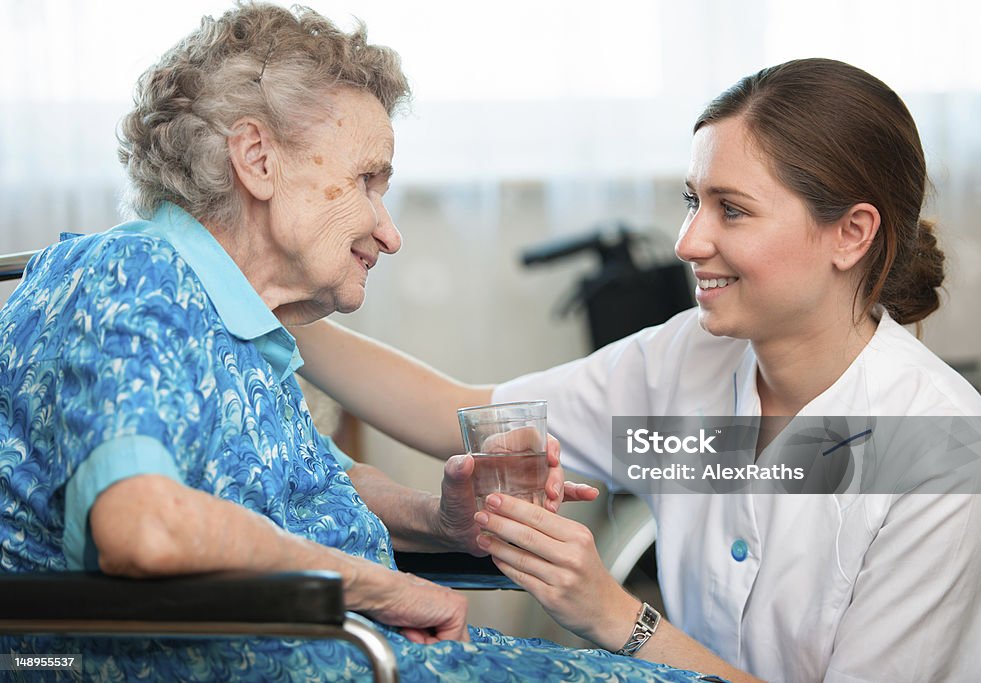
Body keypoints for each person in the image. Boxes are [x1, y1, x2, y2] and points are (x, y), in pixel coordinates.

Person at [0, 4, 718, 682]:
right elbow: (146, 527)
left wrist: (439, 519)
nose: (389, 231)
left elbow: (314, 483)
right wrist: (386, 587)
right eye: (366, 181)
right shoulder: (133, 274)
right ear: (256, 159)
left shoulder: (240, 328)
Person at [293, 58, 981, 682]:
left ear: (852, 233)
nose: (687, 240)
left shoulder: (941, 454)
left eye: (731, 211)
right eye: (692, 201)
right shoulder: (691, 359)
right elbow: (456, 407)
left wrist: (615, 616)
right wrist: (271, 298)